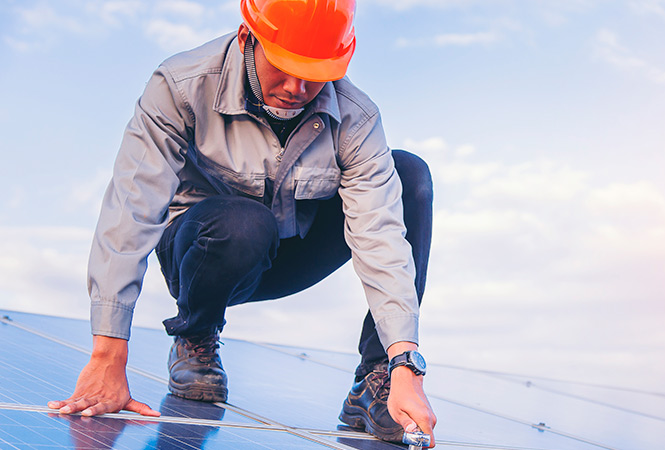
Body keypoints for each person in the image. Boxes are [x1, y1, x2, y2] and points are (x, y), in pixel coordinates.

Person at [47, 0, 437, 445]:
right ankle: (196, 338)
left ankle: (375, 381)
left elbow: (380, 233)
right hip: (204, 253)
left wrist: (405, 362)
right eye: (283, 66)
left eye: (313, 73)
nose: (295, 87)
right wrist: (108, 355)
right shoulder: (180, 86)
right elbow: (131, 208)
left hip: (289, 252)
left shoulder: (356, 117)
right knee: (243, 222)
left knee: (409, 176)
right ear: (247, 37)